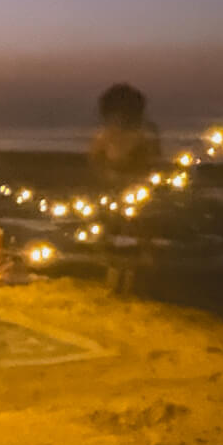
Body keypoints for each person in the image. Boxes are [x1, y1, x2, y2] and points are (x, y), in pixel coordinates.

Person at [88, 83, 161, 292]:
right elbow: (95, 162)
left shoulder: (145, 134)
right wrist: (107, 176)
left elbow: (154, 161)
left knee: (133, 244)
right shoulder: (103, 136)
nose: (118, 118)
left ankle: (129, 287)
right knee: (113, 242)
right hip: (113, 195)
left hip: (137, 195)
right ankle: (112, 286)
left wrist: (141, 181)